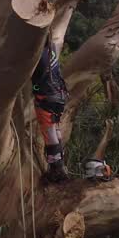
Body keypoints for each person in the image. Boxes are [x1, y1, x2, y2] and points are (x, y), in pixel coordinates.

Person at [32, 37, 69, 182]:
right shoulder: (51, 48)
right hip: (59, 95)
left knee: (49, 133)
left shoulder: (36, 55)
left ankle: (56, 170)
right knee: (55, 129)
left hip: (46, 97)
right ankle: (59, 164)